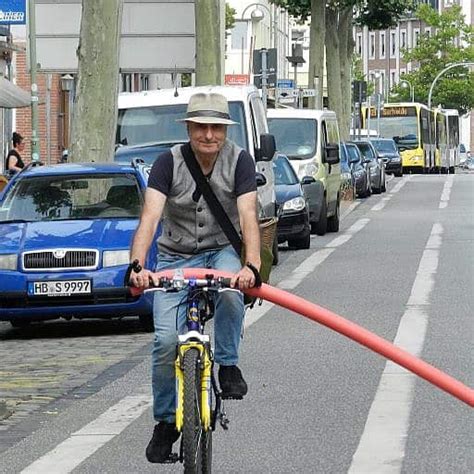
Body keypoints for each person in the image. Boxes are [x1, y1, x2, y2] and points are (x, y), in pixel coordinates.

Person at [129, 92, 261, 464]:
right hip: (176, 255)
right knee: (165, 340)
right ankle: (166, 422)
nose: (208, 135)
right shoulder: (166, 163)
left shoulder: (240, 161)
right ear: (188, 128)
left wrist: (250, 266)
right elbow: (150, 218)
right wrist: (138, 266)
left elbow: (248, 215)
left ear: (225, 130)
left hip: (221, 250)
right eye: (200, 127)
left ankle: (229, 363)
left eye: (215, 127)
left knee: (233, 290)